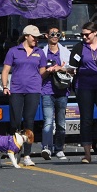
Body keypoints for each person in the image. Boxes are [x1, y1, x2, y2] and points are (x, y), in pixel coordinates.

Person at [1, 25, 47, 166]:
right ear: (26, 36)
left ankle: (27, 155)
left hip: (33, 90)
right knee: (15, 121)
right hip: (16, 90)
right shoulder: (13, 51)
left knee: (29, 121)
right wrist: (4, 86)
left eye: (38, 38)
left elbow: (42, 72)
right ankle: (13, 148)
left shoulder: (40, 52)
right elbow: (5, 70)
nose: (36, 40)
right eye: (34, 37)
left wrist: (51, 71)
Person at [70, 21, 97, 163]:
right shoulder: (79, 47)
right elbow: (72, 66)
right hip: (84, 86)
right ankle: (87, 154)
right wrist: (69, 70)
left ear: (95, 33)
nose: (84, 37)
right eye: (82, 34)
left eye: (87, 34)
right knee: (86, 119)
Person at [40, 26, 70, 160]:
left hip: (62, 90)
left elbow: (72, 70)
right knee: (48, 121)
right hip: (47, 91)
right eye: (52, 34)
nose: (55, 36)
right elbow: (39, 74)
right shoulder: (42, 53)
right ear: (46, 36)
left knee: (61, 122)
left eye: (58, 34)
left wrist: (61, 68)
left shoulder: (65, 52)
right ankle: (46, 147)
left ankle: (59, 149)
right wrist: (48, 70)